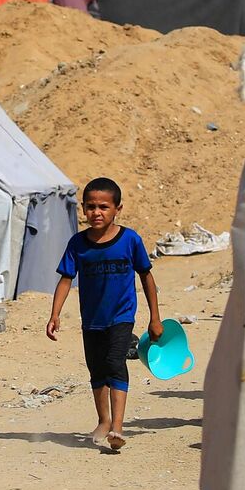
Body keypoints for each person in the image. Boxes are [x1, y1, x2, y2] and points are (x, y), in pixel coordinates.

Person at [45, 178, 162, 452]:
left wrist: (155, 318)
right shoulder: (78, 244)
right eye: (90, 207)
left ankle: (117, 427)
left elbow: (146, 277)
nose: (96, 213)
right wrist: (55, 314)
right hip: (92, 319)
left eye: (103, 207)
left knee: (114, 362)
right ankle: (103, 420)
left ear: (117, 209)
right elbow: (65, 279)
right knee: (96, 367)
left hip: (121, 316)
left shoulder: (130, 240)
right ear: (83, 209)